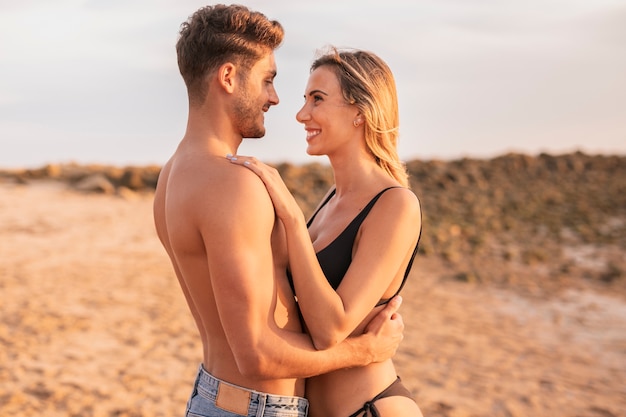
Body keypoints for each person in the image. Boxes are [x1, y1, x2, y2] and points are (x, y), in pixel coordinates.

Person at [153, 6, 406, 417]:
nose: (275, 98)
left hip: (215, 397)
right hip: (257, 407)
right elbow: (255, 354)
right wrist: (362, 351)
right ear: (229, 77)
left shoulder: (172, 175)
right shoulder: (233, 184)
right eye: (268, 80)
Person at [228, 48, 423, 416]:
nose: (302, 114)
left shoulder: (396, 205)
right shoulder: (332, 199)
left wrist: (291, 217)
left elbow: (330, 329)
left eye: (317, 99)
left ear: (360, 112)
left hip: (370, 408)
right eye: (305, 100)